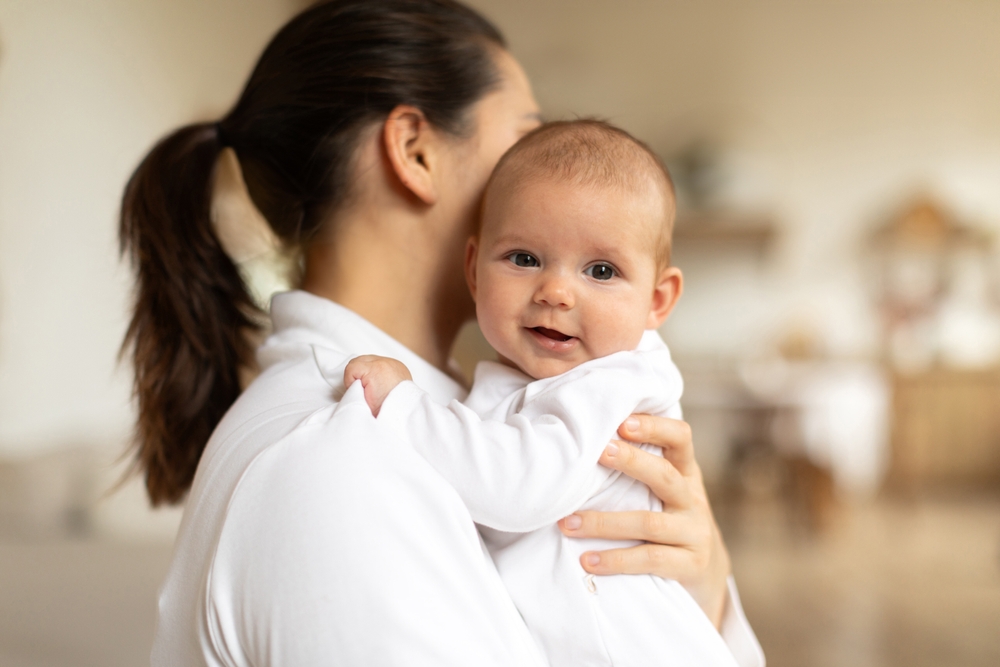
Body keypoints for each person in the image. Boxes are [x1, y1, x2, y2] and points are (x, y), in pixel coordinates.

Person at [118, 1, 762, 665]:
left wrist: (702, 583)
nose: (551, 172)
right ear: (414, 151)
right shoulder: (339, 462)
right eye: (523, 135)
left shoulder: (452, 417)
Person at [342, 120, 760, 666]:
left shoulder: (613, 384)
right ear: (473, 269)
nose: (556, 291)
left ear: (657, 301)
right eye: (524, 258)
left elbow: (515, 487)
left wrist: (403, 406)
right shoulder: (530, 378)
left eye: (602, 270)